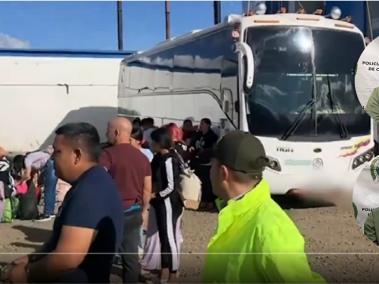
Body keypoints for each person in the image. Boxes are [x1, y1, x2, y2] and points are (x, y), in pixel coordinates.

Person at [0, 122, 124, 283]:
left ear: (77, 155)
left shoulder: (89, 192)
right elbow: (60, 242)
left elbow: (67, 259)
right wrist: (33, 258)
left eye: (57, 152)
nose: (52, 158)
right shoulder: (91, 182)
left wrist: (27, 274)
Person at [202, 130, 326, 283]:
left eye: (211, 165)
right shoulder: (238, 214)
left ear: (223, 173)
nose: (209, 171)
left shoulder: (270, 229)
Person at [100, 117, 152, 284]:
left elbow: (99, 179)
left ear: (116, 133)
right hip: (133, 211)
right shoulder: (142, 158)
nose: (106, 133)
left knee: (103, 257)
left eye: (108, 129)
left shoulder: (107, 154)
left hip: (110, 214)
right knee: (130, 259)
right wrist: (144, 211)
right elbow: (147, 189)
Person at [147, 127, 184, 283]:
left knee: (170, 238)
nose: (150, 143)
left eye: (153, 141)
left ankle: (173, 274)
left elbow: (170, 186)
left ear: (159, 142)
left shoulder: (170, 159)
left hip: (169, 202)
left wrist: (155, 195)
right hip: (160, 202)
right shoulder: (158, 157)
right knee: (163, 238)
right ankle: (164, 272)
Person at [17, 146, 57, 221]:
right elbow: (31, 175)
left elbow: (27, 175)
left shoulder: (27, 159)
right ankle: (50, 212)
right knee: (51, 189)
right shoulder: (34, 157)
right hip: (54, 163)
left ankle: (47, 214)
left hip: (50, 165)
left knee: (48, 189)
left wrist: (17, 183)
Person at [190, 118, 218, 210]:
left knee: (207, 183)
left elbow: (214, 148)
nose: (200, 125)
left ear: (208, 125)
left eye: (202, 123)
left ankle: (209, 201)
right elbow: (193, 144)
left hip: (207, 162)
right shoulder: (198, 135)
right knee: (199, 182)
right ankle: (201, 200)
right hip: (197, 161)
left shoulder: (212, 136)